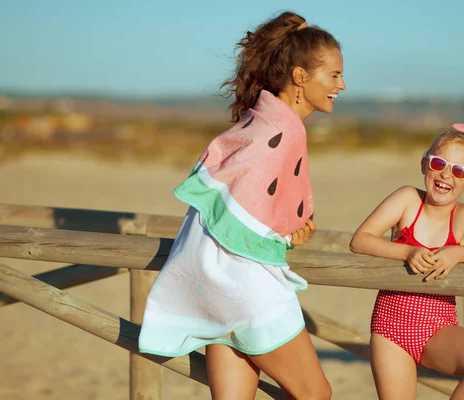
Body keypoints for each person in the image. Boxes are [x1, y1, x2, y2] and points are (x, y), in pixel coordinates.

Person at [138, 11, 345, 399]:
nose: (342, 85)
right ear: (300, 77)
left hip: (210, 284)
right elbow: (251, 204)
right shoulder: (285, 130)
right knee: (316, 394)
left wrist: (284, 230)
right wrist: (282, 230)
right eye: (333, 75)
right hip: (244, 285)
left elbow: (239, 203)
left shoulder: (256, 121)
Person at [350, 123, 464, 400]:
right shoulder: (408, 200)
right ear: (424, 164)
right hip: (389, 328)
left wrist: (460, 253)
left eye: (459, 171)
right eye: (438, 164)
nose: (446, 175)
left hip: (438, 328)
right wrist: (406, 252)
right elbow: (360, 240)